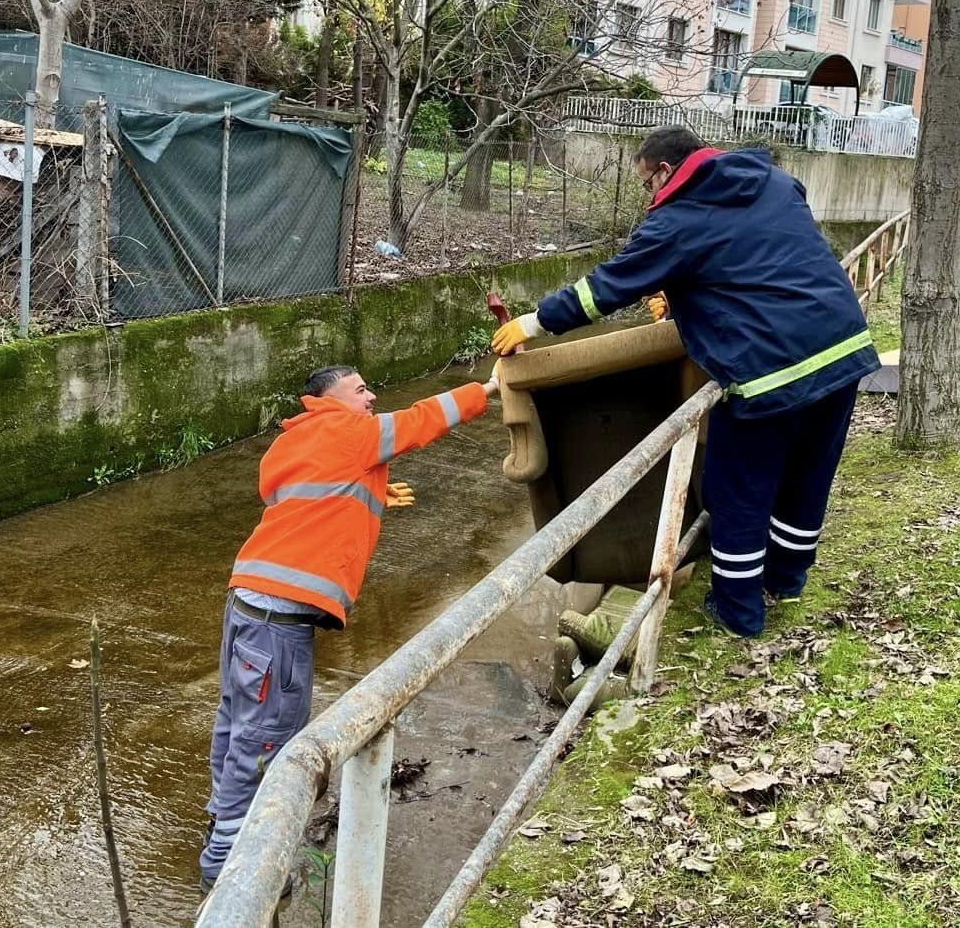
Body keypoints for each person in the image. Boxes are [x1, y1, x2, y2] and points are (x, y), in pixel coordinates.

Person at [491, 125, 878, 639]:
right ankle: (786, 581)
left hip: (769, 371)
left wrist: (533, 323)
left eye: (646, 182)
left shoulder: (677, 221)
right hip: (843, 350)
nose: (648, 194)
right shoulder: (774, 182)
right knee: (809, 474)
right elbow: (754, 260)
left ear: (666, 171)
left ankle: (738, 613)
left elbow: (604, 289)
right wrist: (684, 291)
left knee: (737, 487)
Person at [199, 364, 500, 891]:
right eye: (360, 389)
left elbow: (307, 509)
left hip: (246, 600)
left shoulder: (296, 443)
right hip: (281, 617)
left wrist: (369, 496)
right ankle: (229, 872)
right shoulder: (348, 430)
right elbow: (421, 420)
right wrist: (489, 389)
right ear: (328, 399)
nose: (371, 395)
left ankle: (220, 824)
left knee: (236, 722)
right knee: (268, 738)